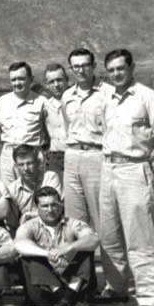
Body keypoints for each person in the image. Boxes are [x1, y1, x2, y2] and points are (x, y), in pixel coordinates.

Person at [98, 49, 154, 306]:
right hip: (108, 168)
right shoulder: (107, 96)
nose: (117, 74)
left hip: (134, 169)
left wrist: (151, 166)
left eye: (121, 68)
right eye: (112, 70)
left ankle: (151, 297)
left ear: (132, 68)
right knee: (109, 235)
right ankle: (116, 288)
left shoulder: (146, 96)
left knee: (139, 237)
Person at [61, 48, 115, 283]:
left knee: (105, 223)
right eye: (76, 66)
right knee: (74, 224)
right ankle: (82, 283)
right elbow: (66, 127)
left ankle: (115, 284)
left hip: (97, 157)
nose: (80, 70)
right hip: (72, 157)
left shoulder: (107, 94)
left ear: (94, 67)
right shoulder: (67, 96)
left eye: (85, 65)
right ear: (71, 69)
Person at [14, 186, 99, 306]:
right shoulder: (29, 226)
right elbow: (19, 244)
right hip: (44, 292)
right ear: (36, 208)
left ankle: (64, 303)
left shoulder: (73, 224)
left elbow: (94, 239)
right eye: (45, 206)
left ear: (61, 205)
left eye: (54, 204)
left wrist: (68, 248)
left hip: (74, 286)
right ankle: (70, 303)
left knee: (85, 249)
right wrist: (47, 253)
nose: (50, 209)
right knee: (30, 256)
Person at [0, 62, 49, 185]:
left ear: (31, 79)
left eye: (21, 79)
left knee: (35, 195)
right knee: (8, 195)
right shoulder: (2, 101)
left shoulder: (42, 102)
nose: (17, 83)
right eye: (13, 79)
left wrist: (38, 152)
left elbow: (50, 134)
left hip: (33, 157)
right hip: (8, 157)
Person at [7, 144, 62, 224]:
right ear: (16, 167)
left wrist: (29, 215)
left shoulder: (50, 178)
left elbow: (57, 208)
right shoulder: (12, 190)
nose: (26, 169)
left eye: (29, 163)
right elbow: (13, 223)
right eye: (21, 165)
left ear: (38, 163)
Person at [42, 63, 69, 175]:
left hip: (75, 156)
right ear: (46, 84)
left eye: (59, 80)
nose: (56, 85)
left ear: (67, 80)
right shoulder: (44, 106)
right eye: (51, 82)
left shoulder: (77, 101)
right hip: (53, 159)